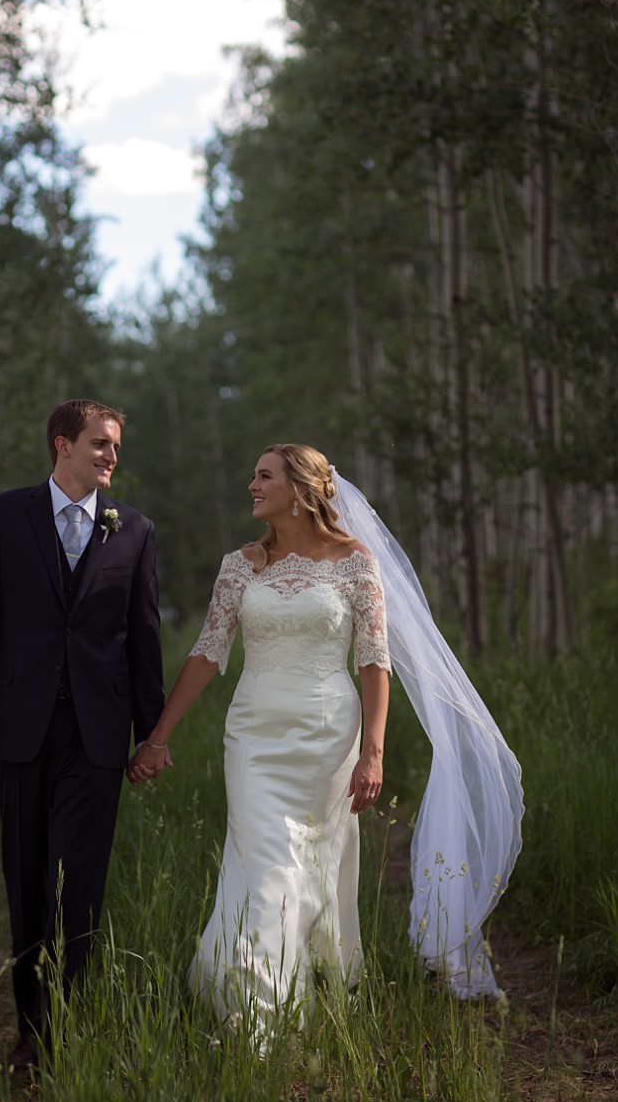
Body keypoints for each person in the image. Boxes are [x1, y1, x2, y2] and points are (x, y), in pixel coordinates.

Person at [129, 443, 523, 1040]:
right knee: (266, 864)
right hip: (253, 734)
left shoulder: (355, 563)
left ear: (301, 489)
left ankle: (300, 985)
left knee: (313, 863)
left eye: (264, 476)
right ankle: (255, 1015)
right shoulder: (239, 565)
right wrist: (158, 736)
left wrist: (374, 750)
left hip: (327, 733)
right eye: (253, 475)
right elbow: (208, 655)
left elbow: (374, 661)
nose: (252, 486)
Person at [0, 399, 167, 1072]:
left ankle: (62, 1031)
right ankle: (26, 1029)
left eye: (116, 446)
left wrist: (150, 735)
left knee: (79, 886)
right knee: (28, 878)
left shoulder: (133, 529)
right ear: (61, 444)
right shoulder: (1, 515)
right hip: (16, 729)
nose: (111, 455)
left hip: (97, 738)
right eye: (100, 442)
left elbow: (145, 641)